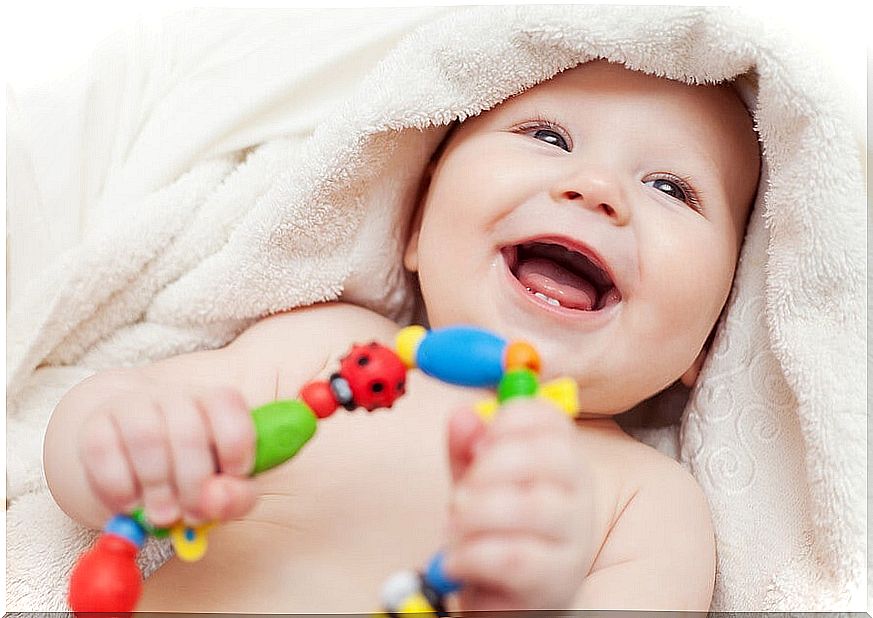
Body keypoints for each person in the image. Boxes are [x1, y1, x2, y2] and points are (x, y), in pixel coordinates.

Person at [43, 59, 760, 613]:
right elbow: (81, 464)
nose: (594, 185)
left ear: (710, 335)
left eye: (672, 188)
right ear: (415, 224)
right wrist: (128, 442)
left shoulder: (649, 504)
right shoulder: (326, 348)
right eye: (547, 137)